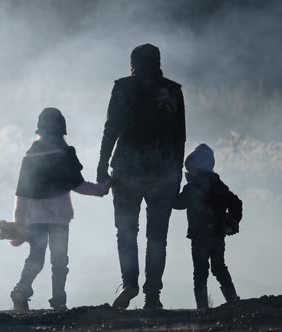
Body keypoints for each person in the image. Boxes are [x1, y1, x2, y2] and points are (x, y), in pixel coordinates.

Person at [96, 43, 186, 309]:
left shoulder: (123, 88)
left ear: (133, 63)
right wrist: (177, 173)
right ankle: (153, 295)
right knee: (157, 236)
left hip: (127, 169)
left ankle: (129, 283)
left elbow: (111, 128)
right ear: (158, 62)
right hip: (163, 170)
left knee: (126, 231)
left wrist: (102, 165)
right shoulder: (173, 91)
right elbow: (179, 137)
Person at [2, 107, 110, 311]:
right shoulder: (65, 154)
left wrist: (19, 222)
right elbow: (78, 185)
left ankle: (21, 289)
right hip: (59, 217)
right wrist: (101, 189)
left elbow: (21, 193)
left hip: (35, 218)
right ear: (61, 129)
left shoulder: (30, 157)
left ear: (40, 130)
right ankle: (59, 301)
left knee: (36, 256)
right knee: (59, 260)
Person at [173, 144, 242, 309]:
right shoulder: (219, 185)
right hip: (218, 235)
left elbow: (178, 203)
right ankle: (233, 302)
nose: (188, 172)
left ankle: (202, 309)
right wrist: (233, 221)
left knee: (200, 272)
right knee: (219, 267)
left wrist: (170, 190)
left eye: (190, 169)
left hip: (199, 236)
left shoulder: (192, 187)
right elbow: (236, 203)